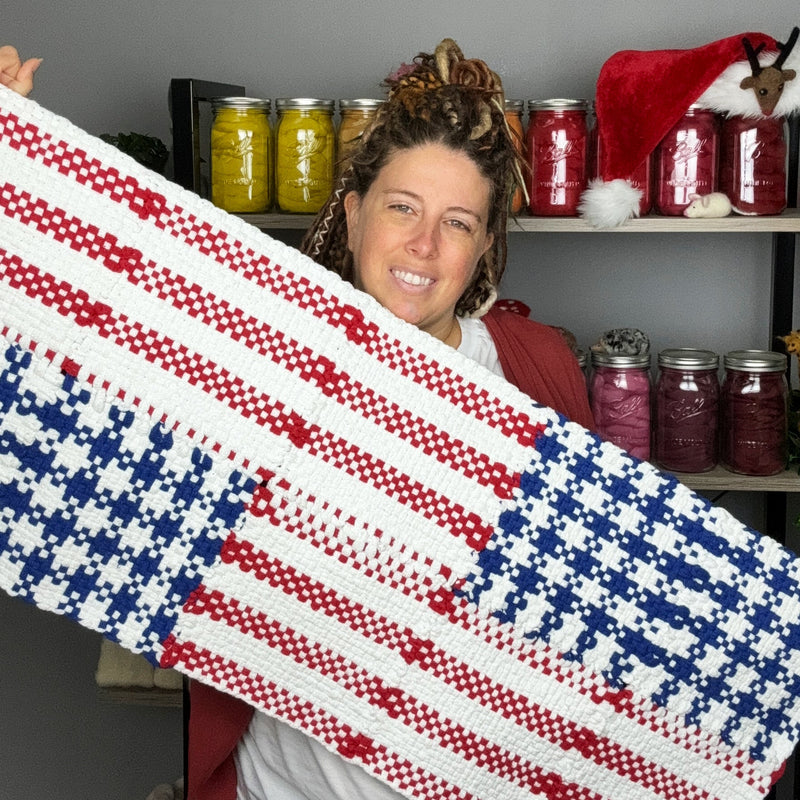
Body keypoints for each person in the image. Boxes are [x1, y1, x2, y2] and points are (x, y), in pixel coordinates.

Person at [2, 39, 593, 800]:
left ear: (484, 248)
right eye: (402, 208)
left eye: (457, 223)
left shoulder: (533, 370)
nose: (423, 244)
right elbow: (95, 340)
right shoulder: (266, 358)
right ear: (352, 216)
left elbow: (589, 607)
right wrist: (18, 166)